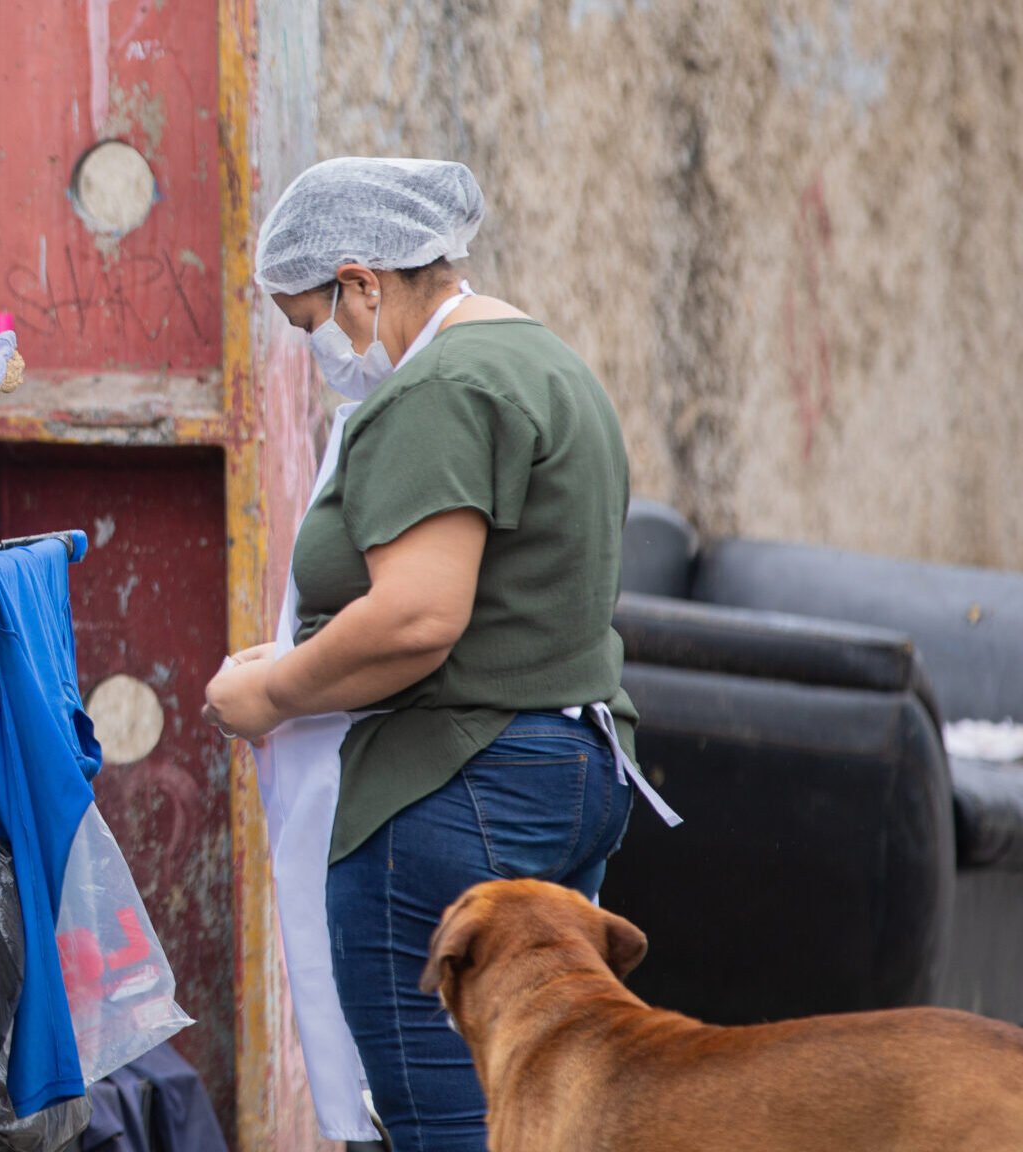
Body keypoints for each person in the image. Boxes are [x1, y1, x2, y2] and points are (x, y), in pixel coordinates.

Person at [202, 157, 673, 1150]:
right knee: (538, 1111)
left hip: (456, 785)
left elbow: (419, 618)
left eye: (308, 323)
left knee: (442, 1121)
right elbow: (504, 595)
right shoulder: (539, 358)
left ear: (362, 282)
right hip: (563, 767)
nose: (314, 352)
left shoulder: (442, 386)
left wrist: (274, 694)